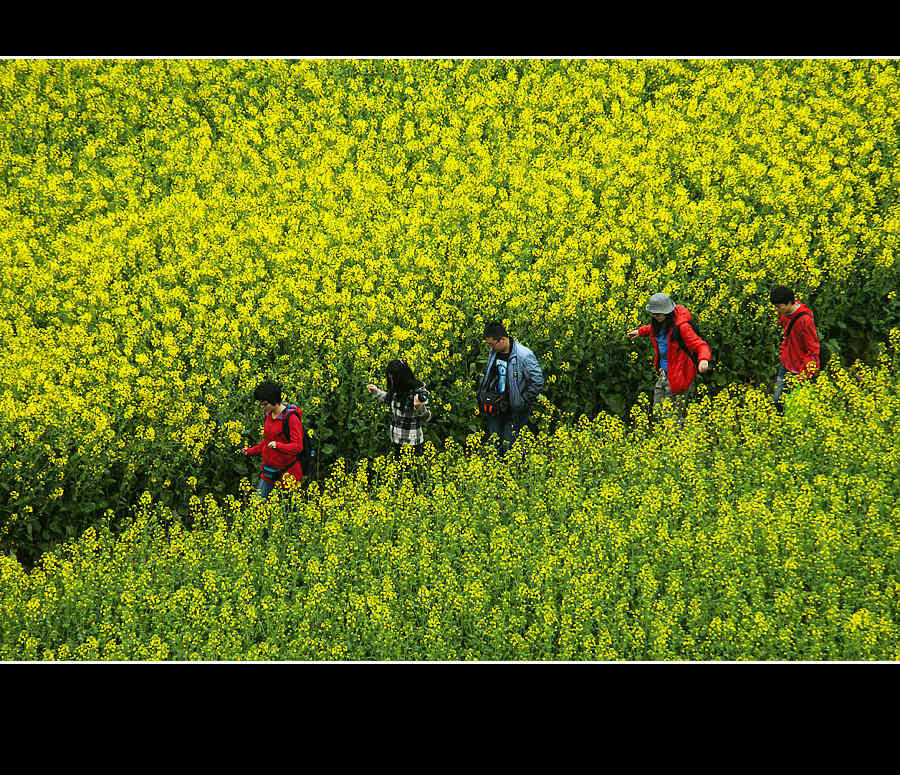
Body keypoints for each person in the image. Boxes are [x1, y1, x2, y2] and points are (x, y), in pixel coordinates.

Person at [627, 293, 711, 417]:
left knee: (672, 418)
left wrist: (703, 360)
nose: (654, 316)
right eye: (653, 314)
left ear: (667, 313)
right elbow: (653, 329)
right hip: (664, 374)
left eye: (657, 314)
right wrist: (640, 331)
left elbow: (700, 344)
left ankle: (681, 434)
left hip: (679, 374)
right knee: (658, 413)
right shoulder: (660, 323)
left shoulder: (682, 327)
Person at [478, 321, 545, 455]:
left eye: (492, 344)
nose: (490, 348)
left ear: (502, 340)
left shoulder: (524, 355)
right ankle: (496, 473)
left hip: (514, 409)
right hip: (495, 405)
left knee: (511, 447)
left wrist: (522, 400)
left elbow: (538, 381)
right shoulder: (494, 352)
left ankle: (516, 473)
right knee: (494, 444)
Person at [242, 381, 304, 500]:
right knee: (258, 507)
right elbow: (267, 442)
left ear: (274, 400)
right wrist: (251, 451)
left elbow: (298, 447)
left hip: (288, 472)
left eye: (264, 404)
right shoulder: (269, 415)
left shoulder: (291, 418)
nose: (262, 407)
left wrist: (278, 445)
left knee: (291, 511)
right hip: (269, 471)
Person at [366, 359, 431, 459]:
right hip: (396, 439)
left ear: (402, 377)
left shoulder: (418, 390)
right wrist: (377, 392)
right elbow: (390, 399)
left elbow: (426, 418)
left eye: (393, 378)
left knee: (410, 472)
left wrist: (419, 407)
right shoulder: (397, 387)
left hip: (412, 442)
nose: (391, 381)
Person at [770, 285, 820, 413]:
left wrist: (806, 373)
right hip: (787, 363)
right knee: (777, 401)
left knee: (799, 407)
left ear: (789, 303)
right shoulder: (785, 313)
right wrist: (783, 352)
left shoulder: (805, 320)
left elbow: (813, 349)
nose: (776, 310)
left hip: (802, 368)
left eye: (779, 306)